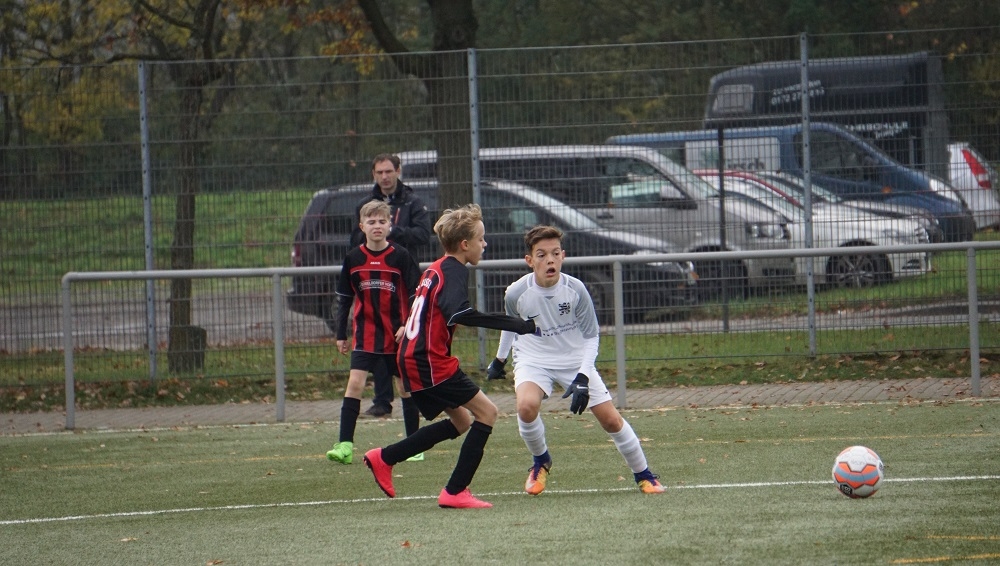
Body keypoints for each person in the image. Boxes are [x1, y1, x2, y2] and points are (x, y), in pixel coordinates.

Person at [362, 204, 539, 509]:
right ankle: (455, 491)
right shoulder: (454, 270)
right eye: (481, 239)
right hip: (429, 361)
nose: (485, 244)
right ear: (465, 244)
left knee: (461, 421)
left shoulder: (436, 267)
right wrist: (517, 325)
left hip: (415, 358)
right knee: (488, 413)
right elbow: (460, 313)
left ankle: (385, 458)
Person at [486, 225, 666, 495]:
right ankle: (541, 461)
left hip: (574, 360)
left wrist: (582, 376)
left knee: (611, 421)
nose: (550, 260)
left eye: (555, 253)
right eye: (542, 255)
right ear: (529, 260)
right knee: (526, 407)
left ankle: (645, 475)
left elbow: (592, 337)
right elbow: (511, 326)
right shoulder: (516, 293)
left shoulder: (576, 290)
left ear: (563, 256)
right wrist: (500, 360)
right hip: (534, 358)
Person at [325, 200, 424, 465]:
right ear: (362, 226)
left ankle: (414, 445)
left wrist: (407, 325)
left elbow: (416, 295)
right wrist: (340, 334)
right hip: (365, 335)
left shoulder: (401, 256)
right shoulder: (353, 258)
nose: (377, 226)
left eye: (382, 221)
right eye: (371, 222)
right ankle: (345, 446)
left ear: (390, 225)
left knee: (404, 387)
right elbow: (344, 299)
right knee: (355, 384)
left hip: (397, 335)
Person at [349, 153, 432, 418]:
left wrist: (393, 231)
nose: (384, 177)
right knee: (377, 340)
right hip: (373, 282)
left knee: (405, 339)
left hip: (404, 280)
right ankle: (382, 401)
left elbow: (423, 234)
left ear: (398, 171)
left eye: (388, 171)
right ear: (373, 174)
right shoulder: (365, 204)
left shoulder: (412, 202)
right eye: (379, 172)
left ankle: (419, 396)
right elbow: (354, 239)